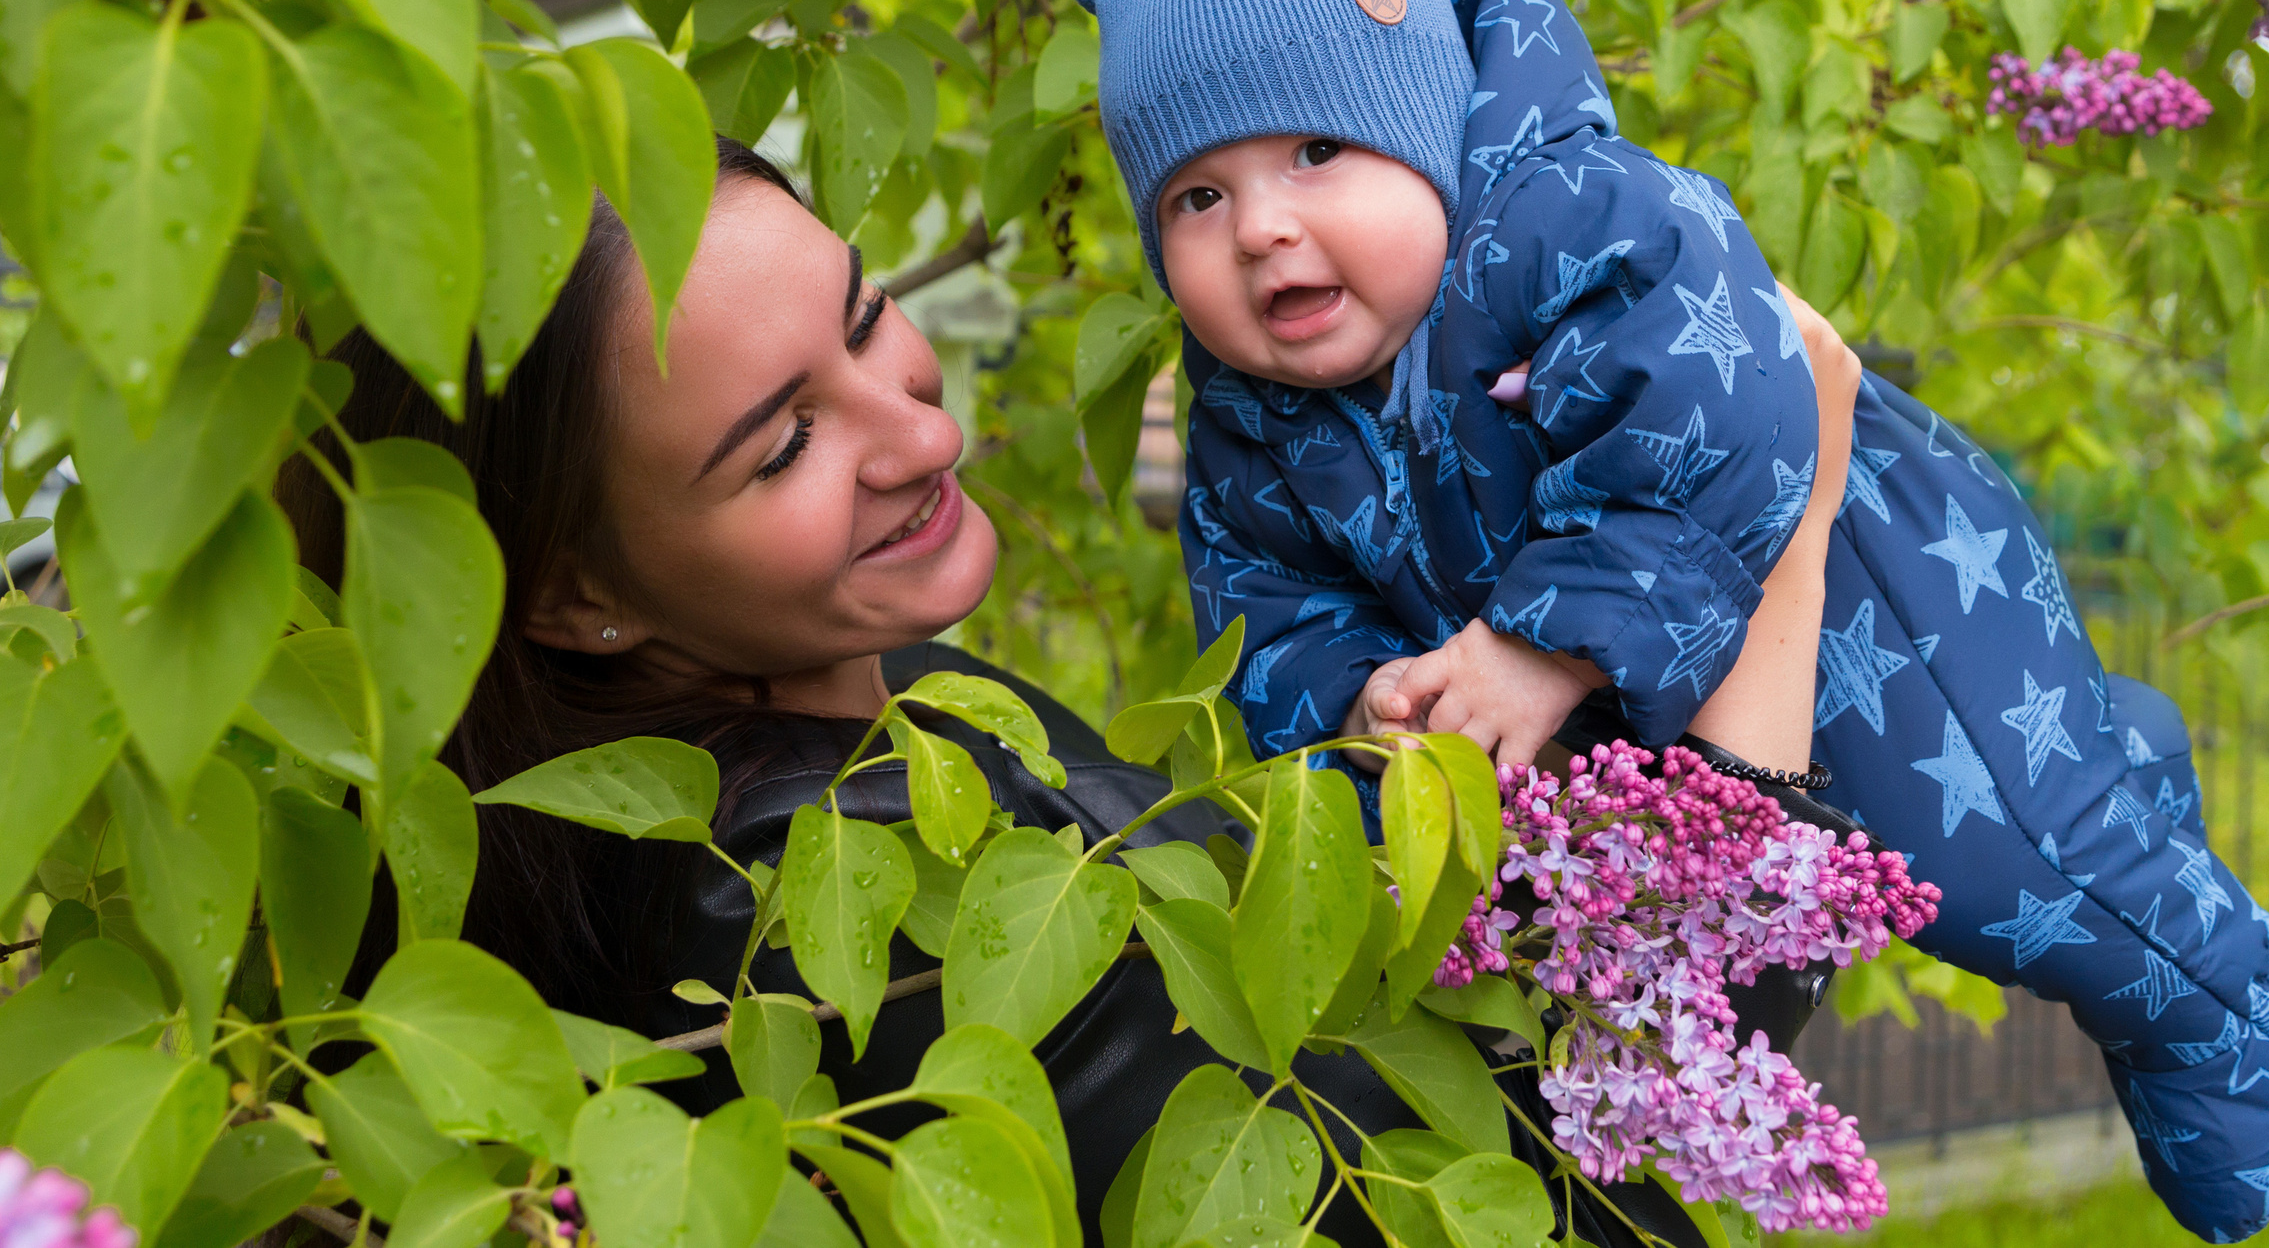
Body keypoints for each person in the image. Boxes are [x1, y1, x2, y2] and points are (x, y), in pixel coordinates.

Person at [1066, 0, 2269, 1240]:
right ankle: (2118, 777)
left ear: (1419, 119)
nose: (1262, 229)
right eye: (1197, 196)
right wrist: (1358, 706)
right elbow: (1262, 604)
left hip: (1874, 604)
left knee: (2006, 871)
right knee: (1663, 965)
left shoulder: (1568, 215)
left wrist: (1539, 647)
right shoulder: (1242, 409)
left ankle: (2223, 997)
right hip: (1621, 708)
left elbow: (1712, 414)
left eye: (1316, 153)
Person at [279, 139, 1709, 1248]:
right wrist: (1790, 513)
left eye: (867, 316)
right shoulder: (820, 896)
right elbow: (1608, 1151)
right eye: (780, 448)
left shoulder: (901, 701)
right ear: (570, 596)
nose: (923, 428)